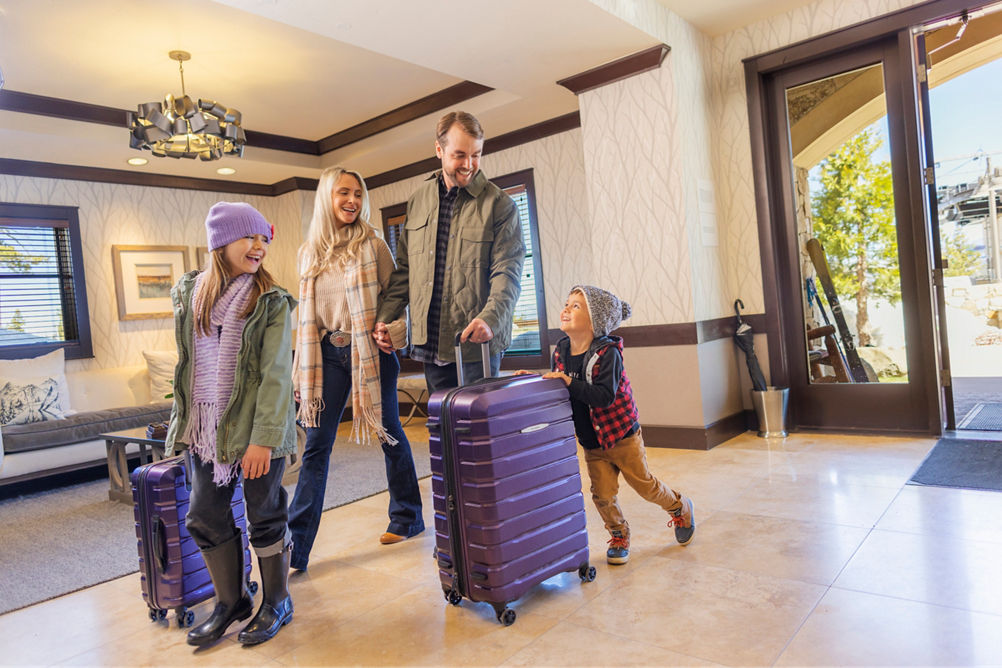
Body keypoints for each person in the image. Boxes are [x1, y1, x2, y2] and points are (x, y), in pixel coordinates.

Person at [165, 201, 297, 646]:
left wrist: (261, 440)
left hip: (260, 429)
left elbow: (277, 375)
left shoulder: (271, 301)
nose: (260, 246)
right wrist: (181, 423)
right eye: (250, 237)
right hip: (206, 430)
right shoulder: (190, 294)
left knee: (265, 513)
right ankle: (232, 600)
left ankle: (277, 600)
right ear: (221, 243)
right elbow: (188, 367)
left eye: (264, 238)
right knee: (204, 513)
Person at [290, 166, 424, 567]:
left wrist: (394, 331)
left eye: (358, 194)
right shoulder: (308, 253)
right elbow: (306, 320)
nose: (352, 201)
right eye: (343, 193)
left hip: (370, 352)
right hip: (326, 355)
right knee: (316, 446)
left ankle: (407, 517)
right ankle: (296, 547)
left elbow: (397, 298)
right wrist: (301, 370)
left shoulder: (373, 243)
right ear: (326, 198)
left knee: (389, 433)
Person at [521, 285, 695, 565]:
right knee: (602, 495)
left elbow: (603, 396)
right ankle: (618, 534)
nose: (565, 308)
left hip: (622, 434)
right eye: (567, 303)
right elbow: (559, 385)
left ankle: (680, 506)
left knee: (645, 486)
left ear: (595, 321)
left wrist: (569, 381)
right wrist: (532, 380)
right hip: (592, 439)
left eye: (576, 306)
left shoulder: (608, 353)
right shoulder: (562, 349)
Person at [373, 110, 525, 392]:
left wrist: (490, 318)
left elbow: (508, 272)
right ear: (439, 150)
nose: (469, 164)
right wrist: (385, 317)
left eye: (476, 154)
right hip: (430, 343)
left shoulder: (500, 206)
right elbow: (406, 271)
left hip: (476, 344)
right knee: (443, 428)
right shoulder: (419, 201)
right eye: (459, 155)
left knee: (478, 431)